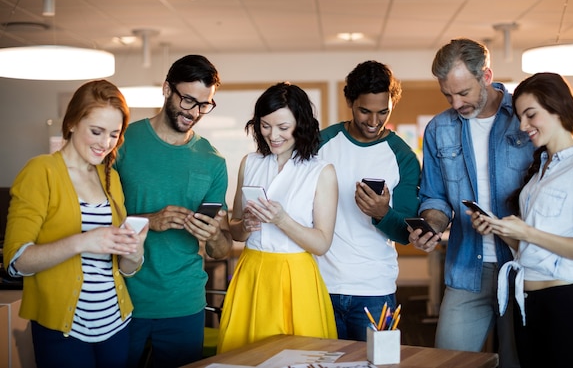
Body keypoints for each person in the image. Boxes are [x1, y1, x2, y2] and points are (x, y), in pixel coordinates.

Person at [469, 72, 573, 368]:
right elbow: (528, 247)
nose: (523, 126)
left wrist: (528, 232)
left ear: (558, 107)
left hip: (563, 305)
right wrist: (500, 229)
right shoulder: (539, 173)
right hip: (527, 303)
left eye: (530, 115)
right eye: (521, 117)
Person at [3, 80, 147, 368]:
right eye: (96, 131)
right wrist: (83, 241)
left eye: (114, 135)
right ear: (71, 123)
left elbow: (125, 269)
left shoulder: (111, 178)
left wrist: (134, 253)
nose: (105, 144)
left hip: (116, 324)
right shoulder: (40, 171)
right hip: (64, 330)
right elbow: (15, 261)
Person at [409, 38, 534, 367]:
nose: (456, 102)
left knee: (515, 361)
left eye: (463, 92)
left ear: (487, 75)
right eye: (447, 95)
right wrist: (432, 227)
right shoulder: (439, 129)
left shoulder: (523, 116)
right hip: (466, 267)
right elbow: (435, 195)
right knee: (446, 361)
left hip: (523, 265)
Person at [114, 55, 233, 368]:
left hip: (184, 302)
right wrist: (149, 221)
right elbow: (94, 219)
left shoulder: (213, 161)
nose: (194, 112)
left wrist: (214, 234)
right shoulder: (123, 142)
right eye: (188, 100)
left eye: (204, 104)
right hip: (123, 298)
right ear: (167, 89)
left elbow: (221, 251)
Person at [217, 82, 338, 353]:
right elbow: (235, 231)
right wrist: (245, 226)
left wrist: (283, 220)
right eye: (265, 126)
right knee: (246, 355)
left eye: (283, 128)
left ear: (302, 125)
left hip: (297, 276)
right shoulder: (250, 163)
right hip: (252, 271)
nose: (273, 135)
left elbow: (321, 244)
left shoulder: (321, 171)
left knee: (300, 355)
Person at [316, 60, 421, 341]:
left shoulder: (403, 157)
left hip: (374, 289)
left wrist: (382, 212)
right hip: (320, 284)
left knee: (377, 362)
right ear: (350, 101)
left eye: (383, 112)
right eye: (365, 111)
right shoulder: (320, 144)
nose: (374, 122)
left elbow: (405, 234)